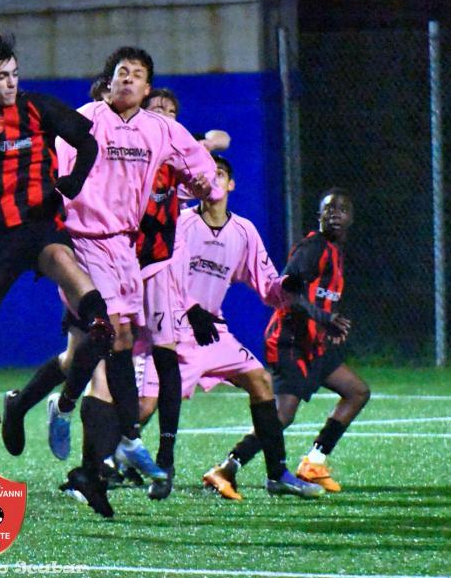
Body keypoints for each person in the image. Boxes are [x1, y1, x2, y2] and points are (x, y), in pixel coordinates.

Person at [2, 47, 222, 512]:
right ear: (108, 83)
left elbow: (200, 167)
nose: (128, 80)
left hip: (125, 247)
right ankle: (121, 442)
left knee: (92, 349)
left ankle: (38, 408)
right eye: (122, 72)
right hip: (81, 242)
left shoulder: (158, 129)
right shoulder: (85, 120)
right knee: (114, 338)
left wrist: (205, 183)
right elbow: (55, 170)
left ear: (147, 88)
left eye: (137, 75)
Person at [0, 30, 116, 471]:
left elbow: (87, 141)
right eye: (1, 76)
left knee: (63, 261)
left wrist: (73, 183)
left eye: (14, 74)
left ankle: (98, 322)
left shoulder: (38, 108)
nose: (11, 82)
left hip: (40, 225)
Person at [136, 156, 324, 499]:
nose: (213, 180)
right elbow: (164, 276)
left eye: (220, 174)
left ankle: (277, 474)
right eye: (206, 175)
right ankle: (106, 465)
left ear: (231, 184)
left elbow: (268, 286)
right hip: (174, 331)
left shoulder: (243, 231)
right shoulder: (182, 223)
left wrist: (288, 286)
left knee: (260, 381)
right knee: (143, 408)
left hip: (213, 332)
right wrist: (189, 309)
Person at [205, 187, 369, 496]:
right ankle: (226, 468)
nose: (335, 214)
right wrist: (323, 317)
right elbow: (288, 291)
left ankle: (314, 463)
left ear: (351, 218)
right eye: (329, 209)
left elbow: (321, 297)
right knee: (281, 415)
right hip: (289, 342)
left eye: (342, 210)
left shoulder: (336, 252)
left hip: (315, 344)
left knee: (356, 391)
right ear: (319, 216)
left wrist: (328, 324)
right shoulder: (313, 248)